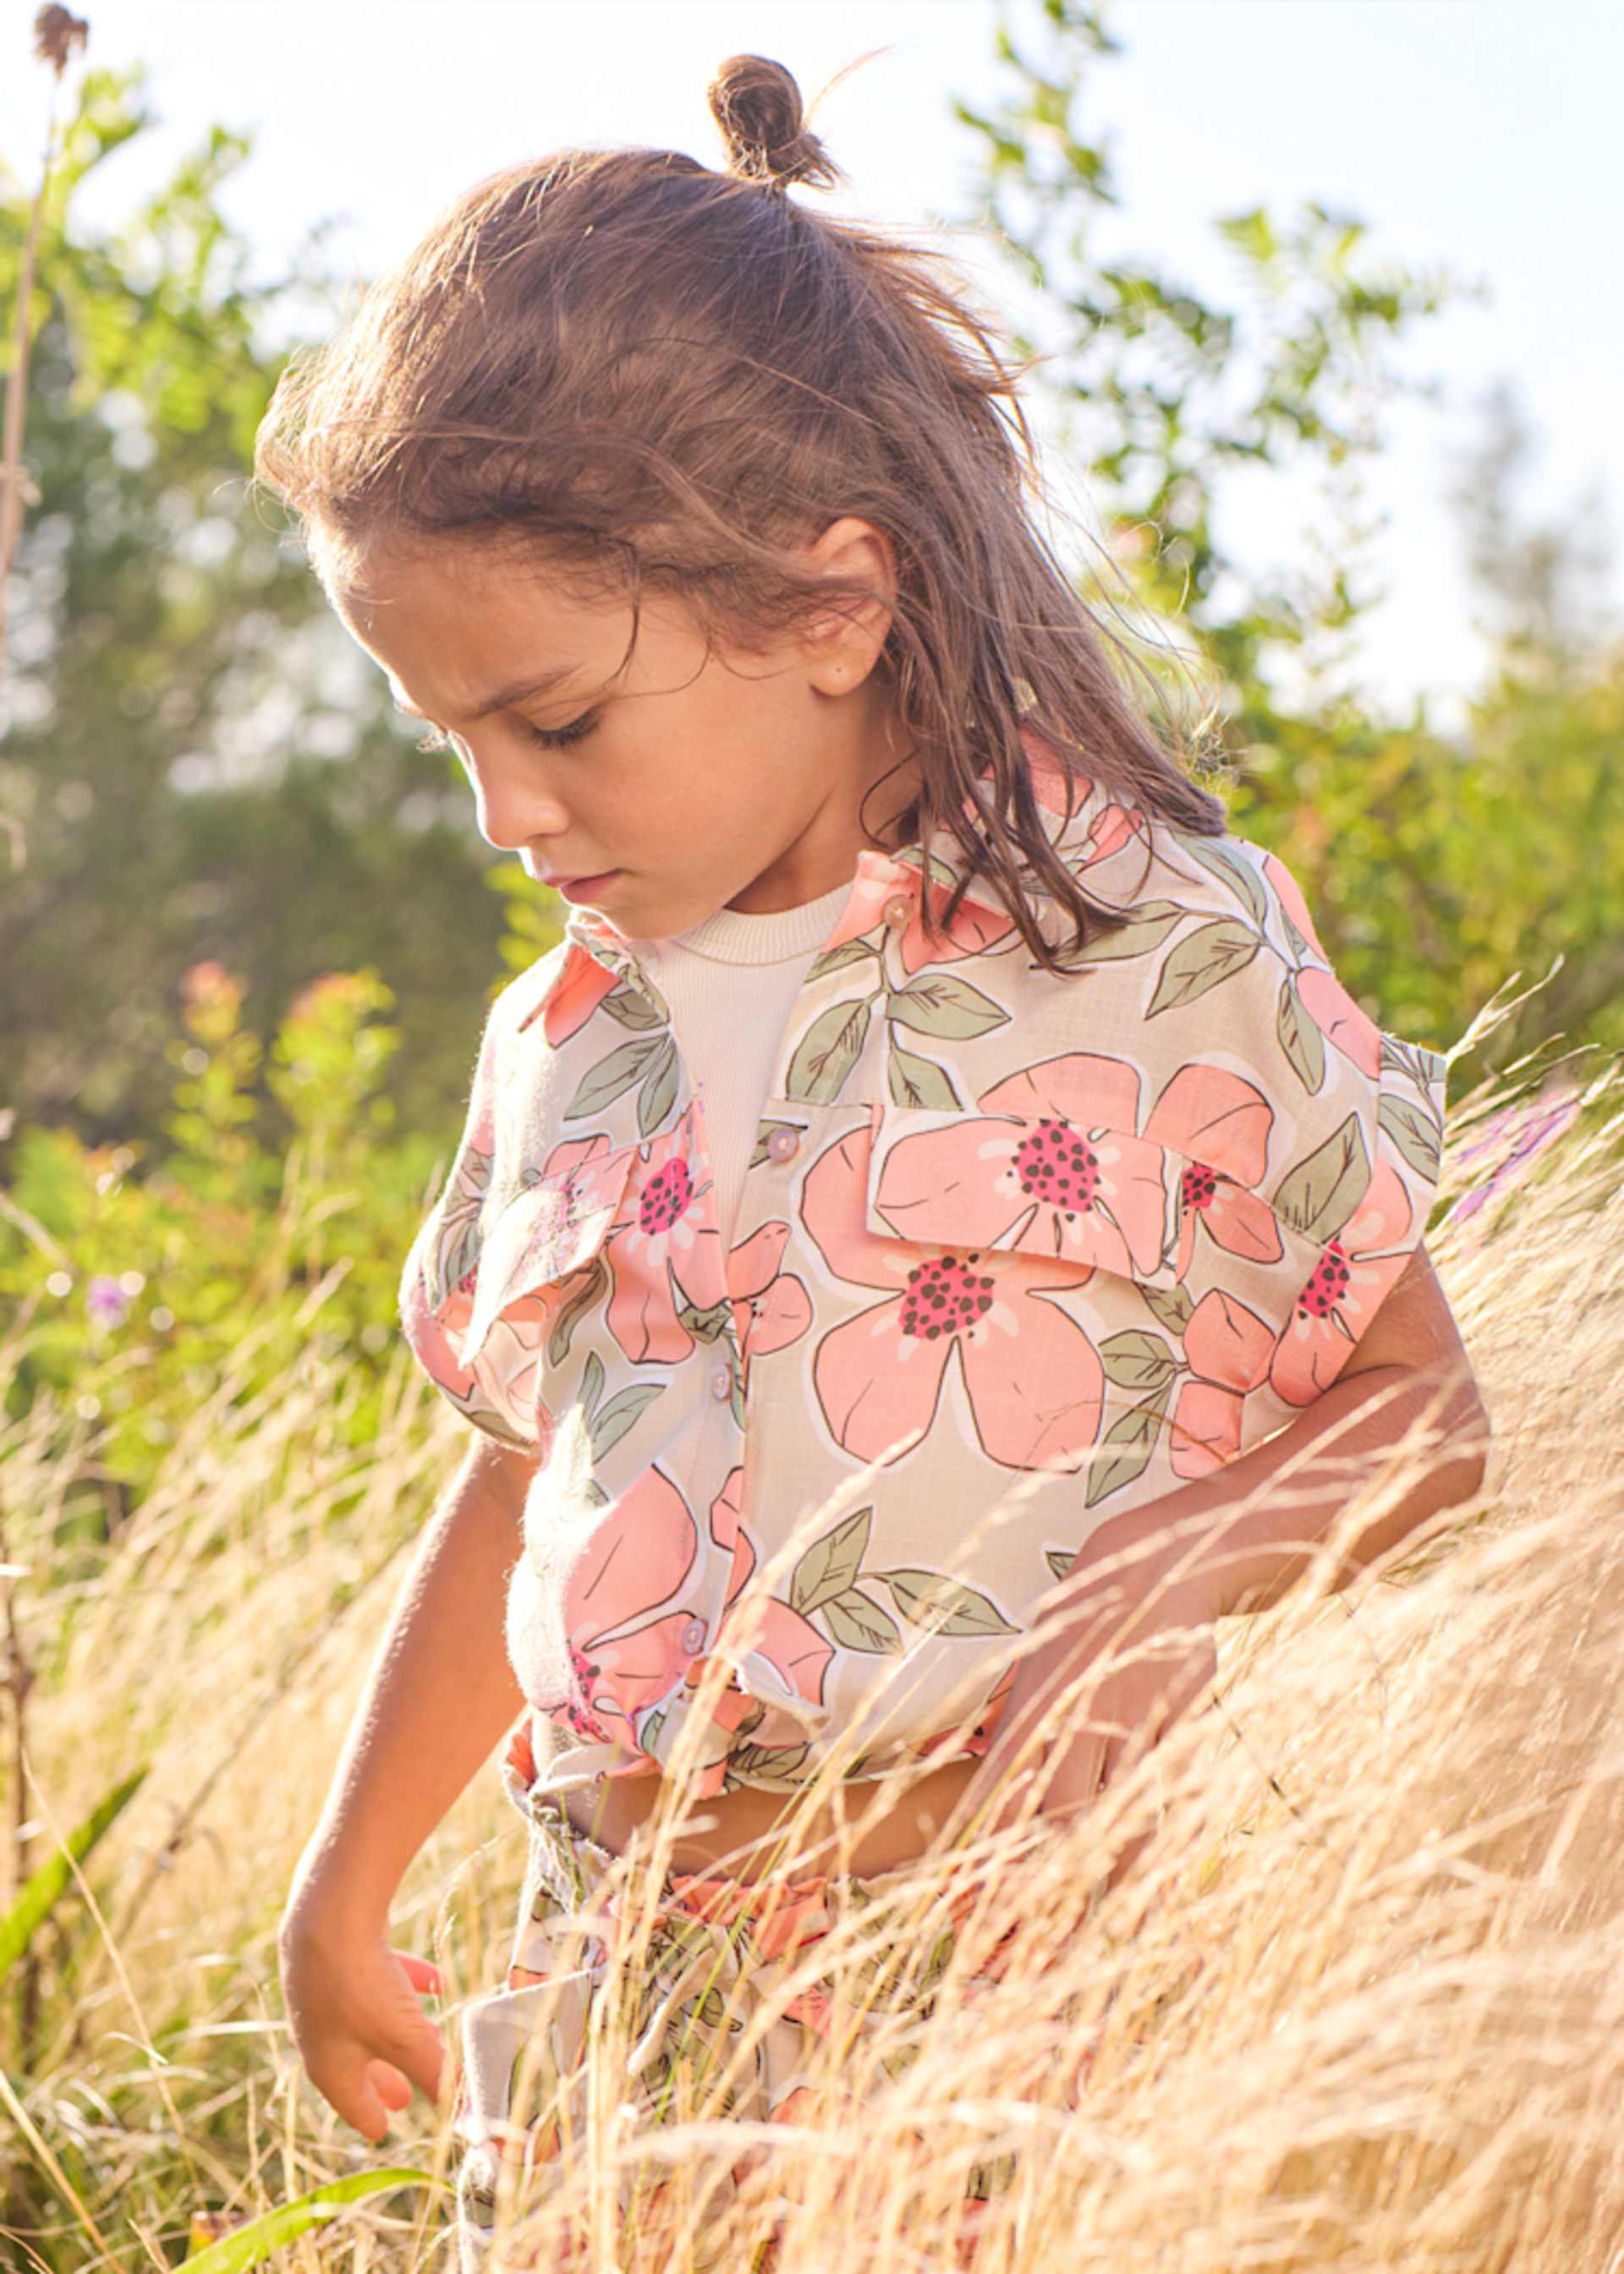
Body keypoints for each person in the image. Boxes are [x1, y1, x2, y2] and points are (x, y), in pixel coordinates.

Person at [258, 52, 1490, 2273]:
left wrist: (1127, 1618)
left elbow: (1419, 1420)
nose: (502, 814)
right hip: (601, 2039)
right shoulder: (565, 1037)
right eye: (449, 738)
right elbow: (523, 1467)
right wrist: (347, 1878)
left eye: (554, 720)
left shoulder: (1155, 957)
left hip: (1003, 2034)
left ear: (834, 606)